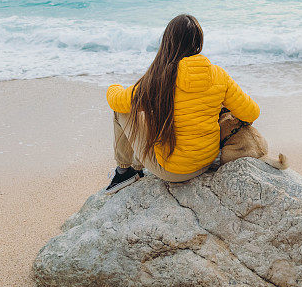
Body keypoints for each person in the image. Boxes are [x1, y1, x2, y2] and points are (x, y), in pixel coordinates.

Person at [105, 14, 260, 193]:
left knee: (121, 111)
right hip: (206, 161)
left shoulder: (160, 77)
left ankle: (124, 171)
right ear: (198, 42)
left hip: (172, 171)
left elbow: (117, 102)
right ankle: (135, 167)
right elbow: (252, 113)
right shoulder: (218, 74)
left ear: (168, 41)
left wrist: (113, 87)